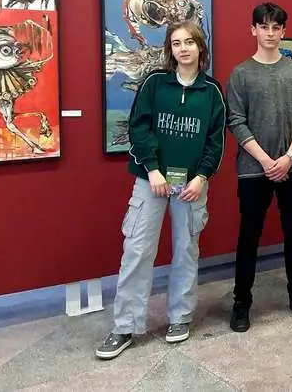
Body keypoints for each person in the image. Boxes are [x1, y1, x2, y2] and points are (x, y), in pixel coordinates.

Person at [95, 21, 226, 360]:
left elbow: (215, 141)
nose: (183, 49)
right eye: (176, 43)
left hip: (191, 186)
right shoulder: (154, 83)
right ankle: (125, 326)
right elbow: (139, 128)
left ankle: (180, 317)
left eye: (189, 42)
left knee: (185, 251)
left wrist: (202, 177)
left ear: (200, 47)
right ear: (170, 49)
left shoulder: (212, 92)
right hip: (150, 181)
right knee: (137, 250)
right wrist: (153, 169)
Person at [225, 2, 292, 332]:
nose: (269, 33)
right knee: (249, 234)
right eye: (263, 26)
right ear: (253, 30)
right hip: (254, 169)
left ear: (283, 31)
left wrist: (289, 157)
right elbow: (236, 121)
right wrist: (266, 160)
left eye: (276, 27)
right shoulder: (241, 74)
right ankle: (241, 302)